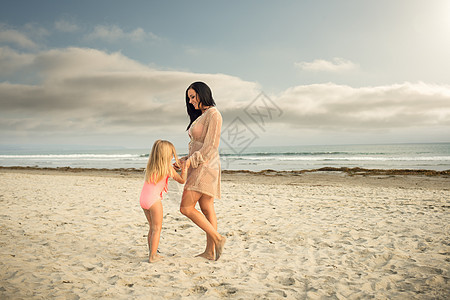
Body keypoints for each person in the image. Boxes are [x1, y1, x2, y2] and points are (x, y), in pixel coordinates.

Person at [178, 81, 226, 261]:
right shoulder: (202, 115)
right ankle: (209, 252)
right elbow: (197, 146)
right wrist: (184, 160)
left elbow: (211, 146)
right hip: (198, 164)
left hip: (206, 167)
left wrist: (191, 162)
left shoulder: (213, 114)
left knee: (185, 208)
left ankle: (218, 238)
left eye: (192, 96)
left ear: (202, 93)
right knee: (206, 208)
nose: (190, 101)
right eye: (188, 98)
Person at [140, 140, 187, 263]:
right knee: (157, 228)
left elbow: (166, 171)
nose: (172, 156)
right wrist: (185, 169)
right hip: (154, 201)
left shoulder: (152, 166)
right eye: (171, 154)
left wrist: (173, 167)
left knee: (152, 228)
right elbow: (182, 180)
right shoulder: (167, 168)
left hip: (143, 199)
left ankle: (152, 252)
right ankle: (152, 256)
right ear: (167, 155)